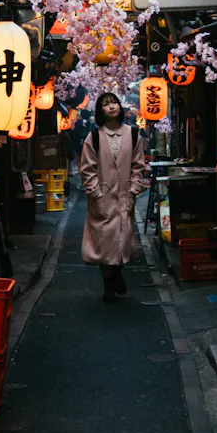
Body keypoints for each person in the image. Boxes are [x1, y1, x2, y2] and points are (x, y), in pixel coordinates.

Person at [79, 92, 146, 303]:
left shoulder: (133, 134)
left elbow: (138, 165)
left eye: (114, 102)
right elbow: (87, 168)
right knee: (104, 243)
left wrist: (134, 189)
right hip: (102, 198)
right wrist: (96, 192)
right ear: (100, 111)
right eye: (106, 104)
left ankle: (116, 274)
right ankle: (109, 285)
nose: (111, 107)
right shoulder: (95, 137)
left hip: (125, 196)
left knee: (122, 239)